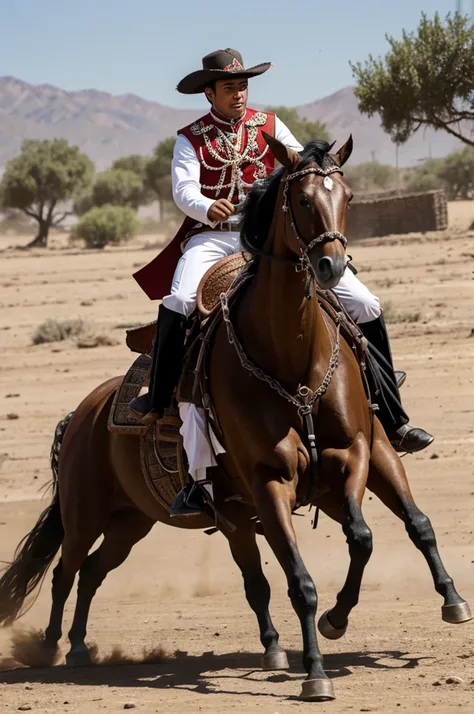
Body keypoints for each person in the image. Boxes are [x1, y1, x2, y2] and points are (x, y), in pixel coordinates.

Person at [131, 48, 433, 516]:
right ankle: (164, 399)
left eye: (243, 85)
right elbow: (183, 189)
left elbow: (299, 165)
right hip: (212, 239)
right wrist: (203, 205)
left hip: (268, 241)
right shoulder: (190, 138)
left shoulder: (271, 126)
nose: (239, 93)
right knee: (179, 299)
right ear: (209, 92)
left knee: (366, 303)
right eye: (229, 87)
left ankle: (392, 418)